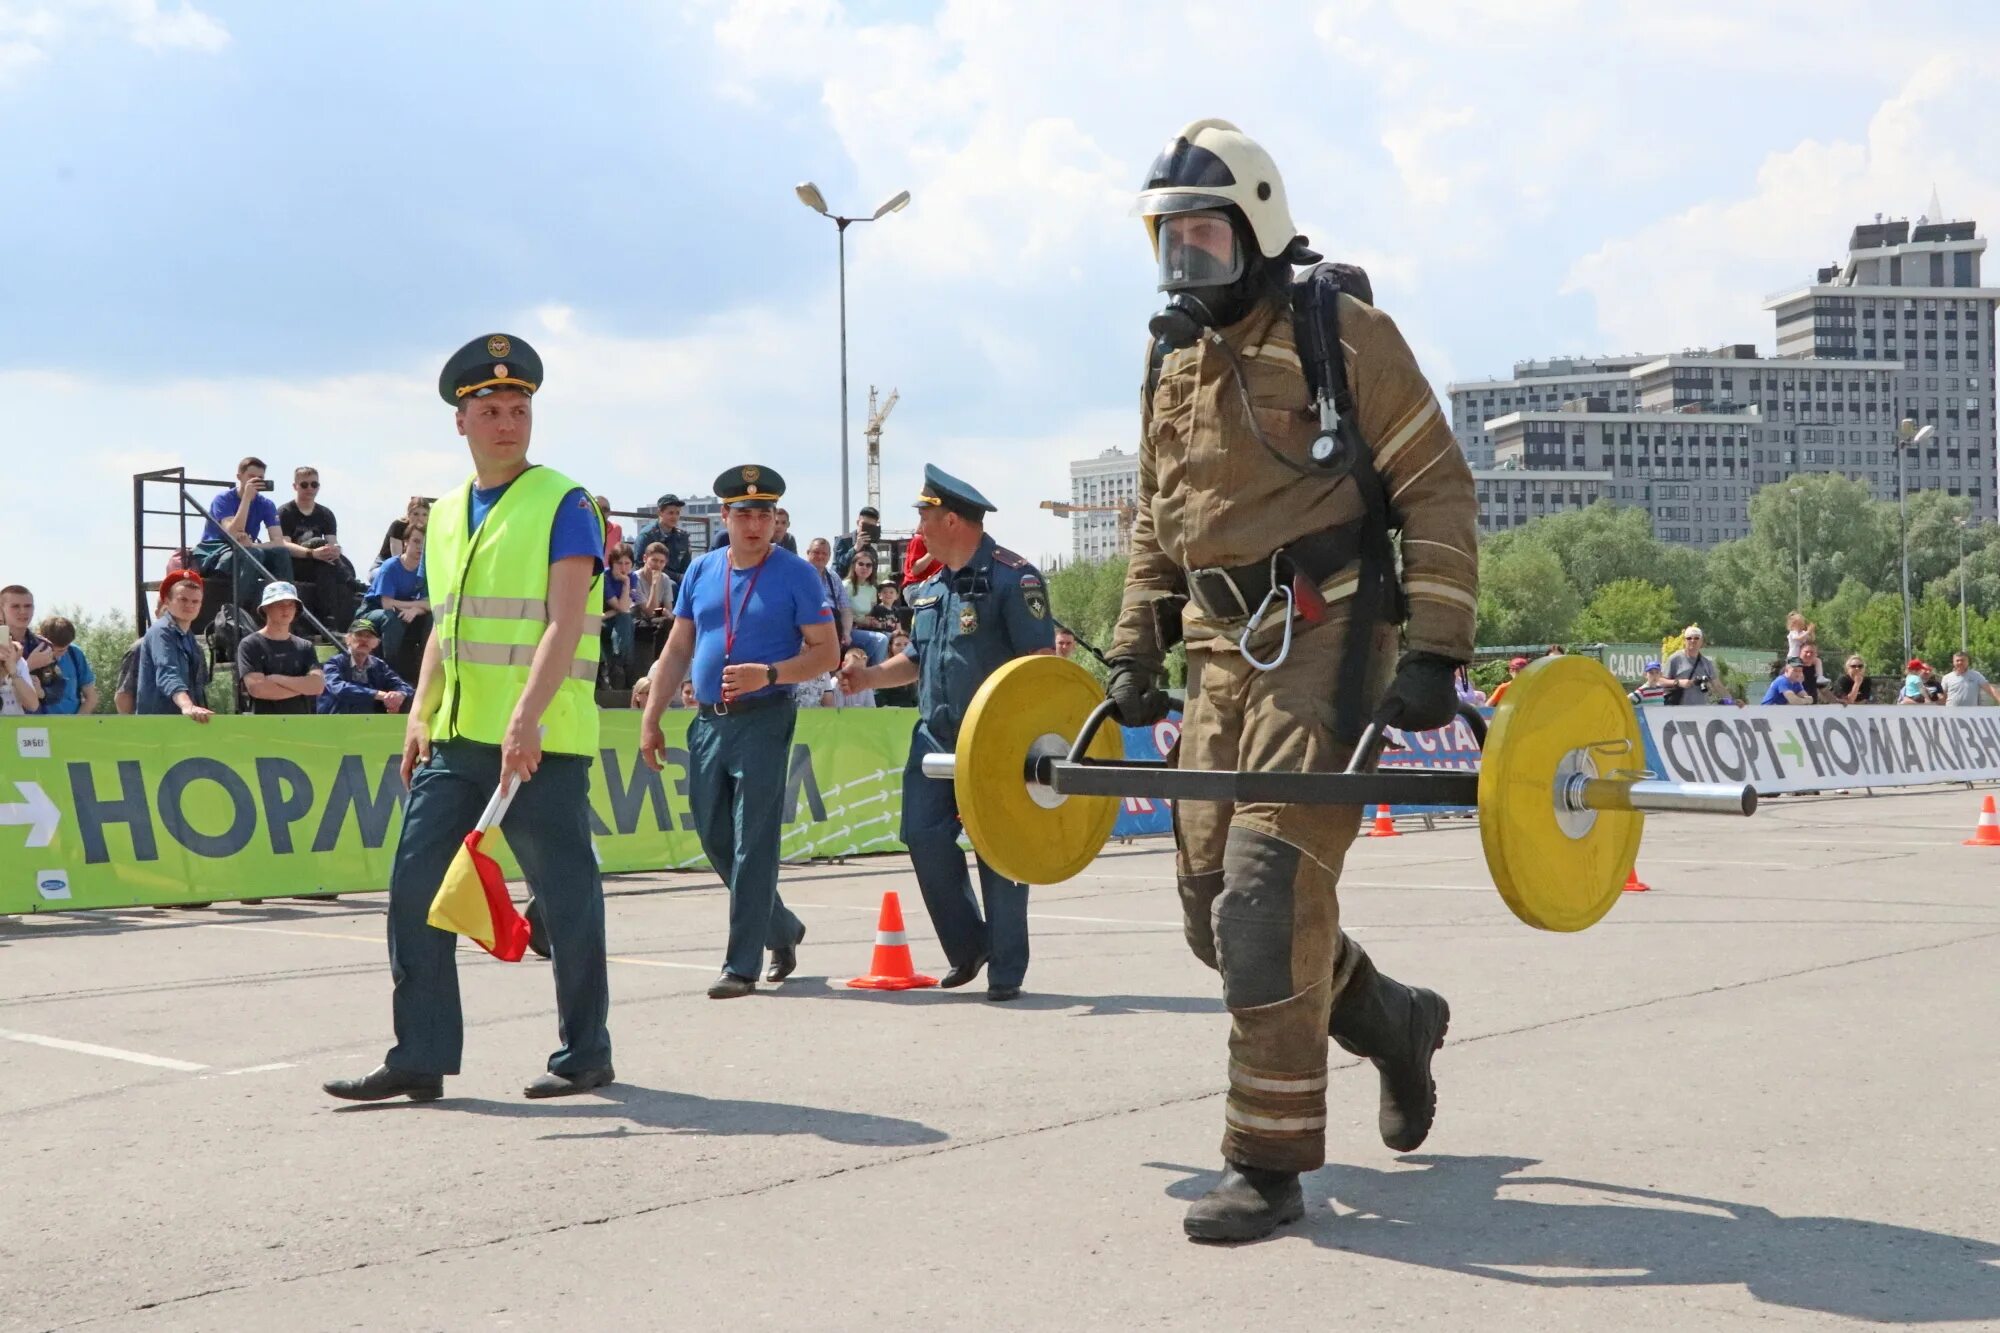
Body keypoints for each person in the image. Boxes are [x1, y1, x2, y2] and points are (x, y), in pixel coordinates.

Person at [1104, 120, 1477, 1242]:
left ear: (1259, 228)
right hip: (1218, 659)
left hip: (1327, 643)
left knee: (1266, 897)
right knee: (1212, 921)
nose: (1185, 264)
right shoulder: (1169, 364)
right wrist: (1133, 644)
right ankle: (1394, 1019)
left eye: (1206, 238)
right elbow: (1156, 526)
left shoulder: (1343, 334)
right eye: (1167, 243)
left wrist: (1435, 650)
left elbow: (1438, 491)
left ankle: (1264, 1163)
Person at [324, 331, 614, 1104]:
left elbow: (563, 620)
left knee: (567, 893)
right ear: (462, 421)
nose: (507, 421)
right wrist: (419, 711)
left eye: (519, 408)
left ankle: (585, 1050)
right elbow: (447, 630)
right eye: (490, 409)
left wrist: (526, 718)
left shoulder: (566, 501)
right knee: (415, 884)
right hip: (456, 741)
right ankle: (419, 1055)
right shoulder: (447, 515)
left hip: (541, 741)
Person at [839, 465, 1058, 1002]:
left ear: (954, 520)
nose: (918, 527)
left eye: (924, 516)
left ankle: (1006, 970)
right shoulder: (931, 588)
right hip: (935, 737)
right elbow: (916, 658)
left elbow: (1039, 665)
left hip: (998, 742)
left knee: (998, 851)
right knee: (922, 834)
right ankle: (969, 947)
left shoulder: (1015, 578)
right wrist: (867, 676)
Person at [639, 465, 838, 998]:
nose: (755, 525)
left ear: (776, 520)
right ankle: (782, 927)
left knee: (754, 842)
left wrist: (769, 674)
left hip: (766, 718)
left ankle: (741, 965)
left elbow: (827, 651)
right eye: (744, 514)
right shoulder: (702, 571)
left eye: (765, 515)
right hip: (707, 722)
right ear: (724, 517)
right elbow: (678, 647)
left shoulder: (797, 573)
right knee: (714, 836)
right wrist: (652, 717)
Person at [197, 456, 296, 610]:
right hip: (217, 551)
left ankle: (285, 608)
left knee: (280, 553)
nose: (256, 481)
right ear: (239, 477)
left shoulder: (266, 504)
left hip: (247, 548)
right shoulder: (223, 499)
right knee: (254, 554)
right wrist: (247, 499)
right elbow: (233, 532)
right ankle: (237, 612)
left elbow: (278, 541)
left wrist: (252, 544)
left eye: (260, 478)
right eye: (251, 477)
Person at [277, 466, 356, 632]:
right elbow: (283, 545)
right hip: (296, 562)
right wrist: (312, 553)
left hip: (321, 562)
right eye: (304, 485)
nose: (310, 489)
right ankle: (349, 581)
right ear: (295, 486)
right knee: (316, 543)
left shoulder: (326, 514)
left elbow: (332, 543)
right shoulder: (285, 512)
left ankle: (328, 617)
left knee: (329, 562)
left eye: (314, 484)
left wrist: (335, 550)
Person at [134, 570, 214, 721]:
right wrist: (187, 705)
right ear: (167, 601)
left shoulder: (190, 639)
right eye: (183, 600)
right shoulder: (161, 631)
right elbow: (167, 673)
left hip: (183, 724)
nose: (190, 605)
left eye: (195, 601)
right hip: (159, 725)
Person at [237, 582, 324, 715]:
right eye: (280, 604)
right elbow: (258, 689)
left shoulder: (305, 646)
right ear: (266, 608)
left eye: (291, 604)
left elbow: (317, 686)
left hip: (300, 727)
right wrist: (303, 687)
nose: (286, 609)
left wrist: (277, 679)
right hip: (265, 727)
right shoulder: (250, 644)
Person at [365, 524, 431, 683]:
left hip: (404, 611)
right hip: (374, 610)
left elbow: (430, 604)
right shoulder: (391, 566)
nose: (420, 547)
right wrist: (415, 605)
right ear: (405, 543)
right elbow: (386, 603)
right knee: (392, 618)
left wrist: (416, 610)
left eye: (424, 543)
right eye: (416, 541)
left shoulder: (426, 569)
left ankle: (425, 667)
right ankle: (390, 671)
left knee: (432, 619)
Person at [319, 620, 411, 714]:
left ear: (376, 643)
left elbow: (404, 686)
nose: (364, 640)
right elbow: (337, 687)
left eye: (369, 636)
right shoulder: (334, 662)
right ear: (348, 640)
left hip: (369, 723)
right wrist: (377, 694)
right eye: (359, 635)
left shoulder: (379, 665)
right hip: (336, 722)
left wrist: (399, 695)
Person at [1, 586, 54, 713]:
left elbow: (55, 691)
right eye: (15, 606)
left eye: (28, 606)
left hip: (28, 726)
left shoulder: (43, 646)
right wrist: (30, 664)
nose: (23, 611)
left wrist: (43, 693)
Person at [34, 616, 97, 715]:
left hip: (70, 724)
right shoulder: (29, 652)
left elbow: (91, 698)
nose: (54, 654)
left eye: (61, 650)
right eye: (50, 648)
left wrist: (75, 724)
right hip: (37, 724)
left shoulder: (75, 654)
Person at [601, 543, 637, 688]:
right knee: (625, 618)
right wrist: (620, 609)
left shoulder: (632, 578)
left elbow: (624, 608)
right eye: (619, 563)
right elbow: (622, 607)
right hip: (603, 619)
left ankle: (618, 661)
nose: (623, 568)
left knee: (626, 619)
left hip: (613, 617)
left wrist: (627, 582)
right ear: (612, 563)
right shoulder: (605, 577)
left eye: (627, 563)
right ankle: (620, 662)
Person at [634, 495, 693, 583]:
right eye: (671, 513)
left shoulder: (682, 537)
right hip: (651, 579)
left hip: (679, 580)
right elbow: (640, 564)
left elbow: (687, 564)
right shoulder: (647, 535)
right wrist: (678, 577)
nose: (675, 517)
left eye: (677, 513)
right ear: (660, 513)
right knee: (671, 585)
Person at [371, 496, 432, 579]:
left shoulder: (429, 531)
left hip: (412, 568)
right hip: (385, 565)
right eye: (416, 514)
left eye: (424, 515)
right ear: (409, 514)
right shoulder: (398, 526)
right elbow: (397, 560)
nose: (420, 518)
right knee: (389, 576)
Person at [1665, 626, 1718, 705]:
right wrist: (1678, 682)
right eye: (1689, 638)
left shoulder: (1707, 662)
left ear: (1702, 642)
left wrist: (1733, 701)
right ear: (1684, 641)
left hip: (1701, 711)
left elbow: (1718, 686)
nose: (1693, 640)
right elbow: (1660, 681)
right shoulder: (1675, 659)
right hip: (1678, 711)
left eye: (1696, 638)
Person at [833, 506, 882, 578]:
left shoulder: (872, 551)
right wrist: (855, 548)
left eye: (871, 527)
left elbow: (873, 576)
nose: (867, 529)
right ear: (858, 522)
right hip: (842, 586)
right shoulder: (843, 540)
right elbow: (838, 566)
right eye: (864, 525)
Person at [0, 633, 36, 715]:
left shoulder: (16, 659)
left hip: (14, 726)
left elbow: (33, 705)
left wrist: (13, 672)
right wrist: (4, 673)